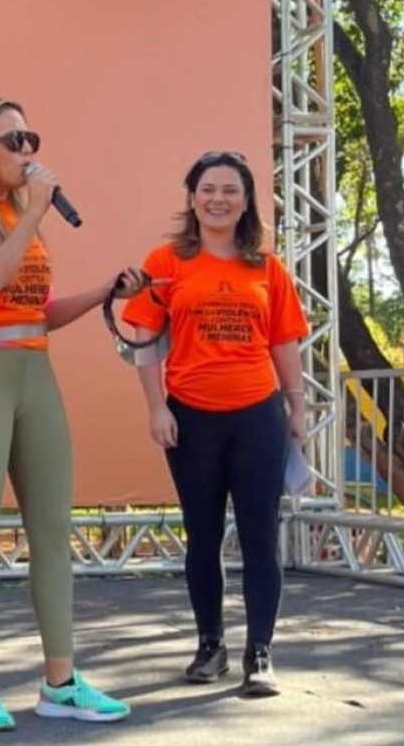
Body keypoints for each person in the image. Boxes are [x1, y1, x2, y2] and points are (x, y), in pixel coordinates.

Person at [0, 97, 139, 732]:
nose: (27, 151)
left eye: (30, 138)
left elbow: (33, 311)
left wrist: (104, 292)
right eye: (13, 140)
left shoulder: (21, 214)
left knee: (52, 527)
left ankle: (61, 681)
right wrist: (34, 214)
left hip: (32, 368)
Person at [122, 150, 309, 697]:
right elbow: (142, 340)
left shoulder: (267, 268)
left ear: (247, 201)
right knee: (202, 538)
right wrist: (156, 406)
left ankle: (260, 653)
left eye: (230, 190)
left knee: (260, 539)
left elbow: (285, 342)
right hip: (191, 418)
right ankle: (211, 646)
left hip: (257, 415)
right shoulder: (167, 261)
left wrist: (296, 409)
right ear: (192, 197)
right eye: (208, 189)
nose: (218, 199)